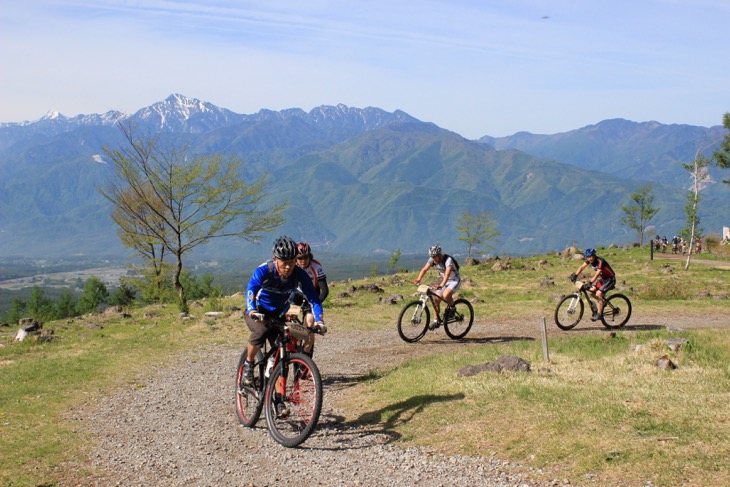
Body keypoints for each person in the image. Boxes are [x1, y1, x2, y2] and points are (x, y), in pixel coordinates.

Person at [242, 236, 326, 415]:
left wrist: (319, 320)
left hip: (279, 314)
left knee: (283, 352)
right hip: (258, 311)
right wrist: (252, 310)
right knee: (261, 330)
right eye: (284, 263)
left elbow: (313, 298)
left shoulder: (299, 273)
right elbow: (251, 289)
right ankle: (249, 365)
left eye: (291, 262)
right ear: (275, 259)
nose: (288, 267)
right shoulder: (265, 270)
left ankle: (279, 400)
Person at [413, 244, 461, 330]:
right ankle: (436, 321)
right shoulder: (432, 259)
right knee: (436, 300)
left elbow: (447, 274)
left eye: (434, 257)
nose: (433, 259)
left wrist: (441, 285)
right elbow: (424, 269)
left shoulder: (448, 260)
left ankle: (453, 308)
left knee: (446, 295)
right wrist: (419, 279)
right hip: (445, 281)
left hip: (454, 280)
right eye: (431, 257)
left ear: (439, 255)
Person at [295, 241, 329, 356]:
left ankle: (305, 358)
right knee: (291, 323)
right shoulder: (292, 266)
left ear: (310, 256)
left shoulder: (316, 266)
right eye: (300, 258)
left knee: (309, 324)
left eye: (306, 257)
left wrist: (315, 304)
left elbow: (324, 290)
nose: (303, 261)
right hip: (296, 297)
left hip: (312, 296)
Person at [570, 248, 616, 322]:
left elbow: (597, 274)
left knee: (598, 294)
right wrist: (575, 275)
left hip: (610, 279)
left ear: (594, 255)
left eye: (591, 256)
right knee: (591, 292)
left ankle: (599, 314)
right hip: (603, 279)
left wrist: (590, 283)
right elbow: (582, 267)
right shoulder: (589, 261)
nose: (589, 258)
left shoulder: (600, 261)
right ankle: (602, 302)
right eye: (587, 257)